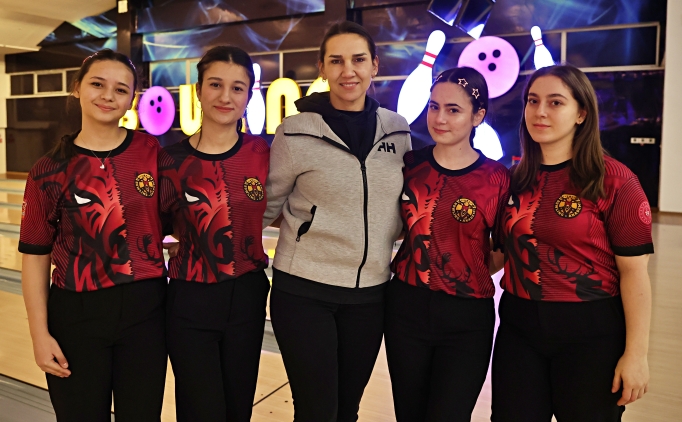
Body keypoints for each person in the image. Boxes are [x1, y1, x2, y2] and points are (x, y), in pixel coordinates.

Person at [263, 21, 411, 422]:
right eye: (337, 61)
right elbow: (267, 205)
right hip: (304, 291)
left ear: (374, 65)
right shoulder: (295, 132)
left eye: (358, 60)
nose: (349, 71)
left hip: (370, 296)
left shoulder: (397, 130)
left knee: (347, 410)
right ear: (322, 68)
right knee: (317, 411)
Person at [492, 64, 653, 421]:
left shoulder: (615, 181)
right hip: (518, 329)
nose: (540, 112)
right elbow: (500, 255)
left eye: (555, 102)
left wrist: (636, 355)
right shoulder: (514, 180)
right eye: (533, 101)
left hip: (590, 334)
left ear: (581, 113)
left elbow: (635, 274)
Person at [19, 49, 167, 421]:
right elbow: (35, 255)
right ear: (77, 88)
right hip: (76, 316)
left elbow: (177, 217)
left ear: (132, 99)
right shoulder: (48, 170)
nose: (108, 96)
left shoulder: (150, 151)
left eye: (121, 89)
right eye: (98, 84)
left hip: (146, 312)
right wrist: (39, 334)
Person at [385, 66, 509, 422]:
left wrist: (462, 269)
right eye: (434, 106)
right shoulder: (410, 165)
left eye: (453, 109)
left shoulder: (496, 178)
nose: (439, 118)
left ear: (478, 116)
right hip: (406, 308)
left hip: (467, 318)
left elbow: (500, 250)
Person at [157, 46, 270, 422]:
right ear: (198, 90)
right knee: (199, 410)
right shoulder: (170, 160)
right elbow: (152, 224)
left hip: (248, 295)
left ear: (249, 96)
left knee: (238, 409)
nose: (226, 96)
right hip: (191, 299)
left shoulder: (261, 152)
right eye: (216, 85)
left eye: (238, 88)